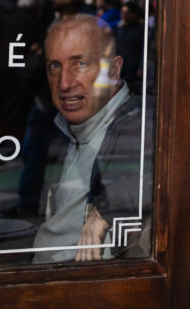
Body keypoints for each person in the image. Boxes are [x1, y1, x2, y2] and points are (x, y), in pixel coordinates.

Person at [33, 15, 148, 263]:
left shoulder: (141, 123)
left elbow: (188, 171)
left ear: (114, 70)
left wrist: (108, 208)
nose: (64, 83)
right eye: (55, 66)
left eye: (80, 64)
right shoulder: (65, 127)